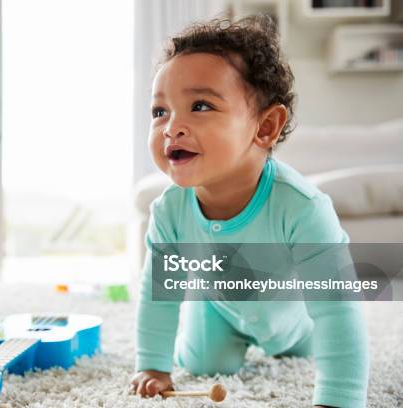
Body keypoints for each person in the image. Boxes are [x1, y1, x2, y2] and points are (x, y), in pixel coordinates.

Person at [130, 15, 369, 408]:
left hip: (295, 316)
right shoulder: (169, 211)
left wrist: (339, 397)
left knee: (308, 345)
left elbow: (337, 307)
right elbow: (158, 294)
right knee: (206, 364)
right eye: (160, 111)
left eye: (200, 105)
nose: (172, 127)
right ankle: (212, 337)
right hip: (217, 309)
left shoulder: (302, 208)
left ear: (265, 128)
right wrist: (153, 365)